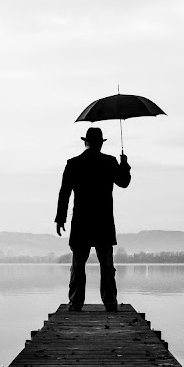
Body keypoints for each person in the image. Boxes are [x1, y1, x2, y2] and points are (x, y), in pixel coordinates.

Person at [55, 127, 131, 311]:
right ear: (100, 143)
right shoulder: (109, 162)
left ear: (85, 142)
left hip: (81, 222)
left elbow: (64, 193)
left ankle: (75, 303)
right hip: (103, 223)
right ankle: (110, 303)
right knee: (106, 266)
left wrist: (60, 218)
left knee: (78, 266)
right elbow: (124, 182)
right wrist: (125, 165)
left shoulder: (73, 164)